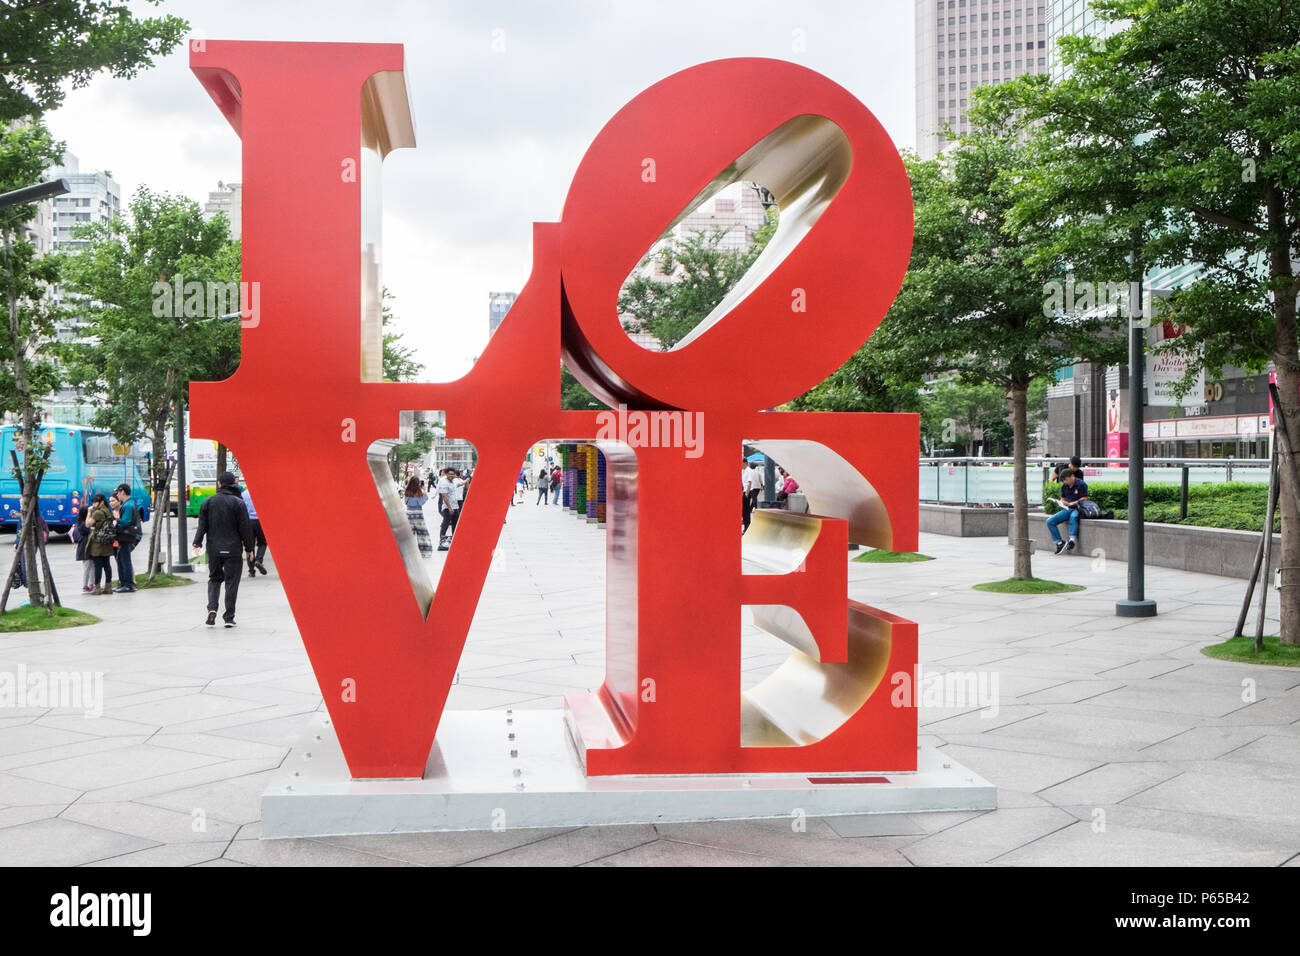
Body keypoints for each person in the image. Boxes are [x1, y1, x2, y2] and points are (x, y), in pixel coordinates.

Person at [193, 471, 255, 627]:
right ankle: (229, 617)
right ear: (233, 484)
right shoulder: (238, 503)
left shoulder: (208, 502)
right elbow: (245, 528)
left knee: (214, 579)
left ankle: (212, 608)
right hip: (233, 549)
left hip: (213, 549)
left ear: (219, 484)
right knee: (231, 582)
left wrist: (197, 542)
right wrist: (249, 548)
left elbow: (202, 526)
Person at [1046, 468, 1090, 554]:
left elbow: (1084, 498)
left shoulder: (1081, 484)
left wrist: (1073, 503)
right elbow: (1062, 498)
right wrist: (1063, 502)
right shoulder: (1064, 486)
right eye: (1063, 481)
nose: (1065, 482)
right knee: (1050, 521)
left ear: (1072, 476)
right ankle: (1060, 543)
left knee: (1073, 517)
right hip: (1067, 509)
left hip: (1078, 508)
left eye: (1066, 480)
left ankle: (1072, 540)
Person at [84, 493, 116, 595]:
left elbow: (87, 524)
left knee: (98, 565)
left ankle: (97, 588)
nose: (93, 504)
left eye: (95, 502)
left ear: (101, 502)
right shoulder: (108, 511)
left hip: (98, 543)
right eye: (93, 502)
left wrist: (89, 512)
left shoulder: (98, 513)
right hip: (107, 542)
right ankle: (108, 587)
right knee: (107, 564)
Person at [111, 484, 140, 593]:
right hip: (124, 536)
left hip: (125, 536)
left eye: (118, 492)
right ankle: (123, 583)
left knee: (125, 560)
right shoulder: (129, 503)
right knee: (122, 559)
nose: (118, 495)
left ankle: (128, 584)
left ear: (122, 492)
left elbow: (126, 521)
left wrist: (115, 520)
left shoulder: (128, 505)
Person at [242, 485, 269, 576]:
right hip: (261, 521)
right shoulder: (262, 494)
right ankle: (258, 560)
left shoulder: (244, 494)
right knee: (262, 543)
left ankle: (251, 570)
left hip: (248, 522)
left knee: (250, 545)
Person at [403, 476, 433, 558]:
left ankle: (407, 553)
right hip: (418, 516)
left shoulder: (407, 491)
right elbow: (422, 502)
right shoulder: (420, 492)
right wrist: (424, 491)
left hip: (408, 515)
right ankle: (425, 553)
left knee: (409, 535)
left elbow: (406, 502)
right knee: (422, 534)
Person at [436, 468, 459, 551]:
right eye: (449, 474)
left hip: (455, 506)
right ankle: (442, 541)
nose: (451, 475)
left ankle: (454, 541)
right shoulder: (444, 483)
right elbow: (444, 496)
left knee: (455, 524)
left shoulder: (452, 482)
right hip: (447, 508)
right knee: (445, 524)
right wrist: (449, 508)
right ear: (446, 474)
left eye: (452, 474)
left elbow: (457, 486)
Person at [73, 502, 93, 592]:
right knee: (87, 567)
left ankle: (90, 584)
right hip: (86, 548)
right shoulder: (84, 524)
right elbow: (89, 532)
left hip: (83, 548)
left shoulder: (79, 523)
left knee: (90, 567)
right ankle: (85, 585)